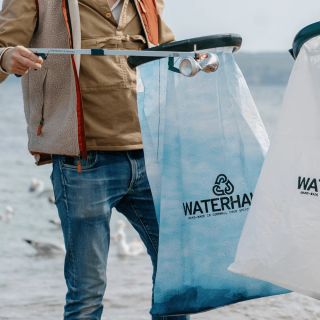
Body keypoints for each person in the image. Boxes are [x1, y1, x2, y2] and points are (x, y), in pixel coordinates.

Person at [0, 0, 190, 319]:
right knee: (87, 294)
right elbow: (2, 48)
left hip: (150, 157)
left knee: (179, 277)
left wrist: (192, 58)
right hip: (82, 163)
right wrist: (6, 58)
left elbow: (167, 50)